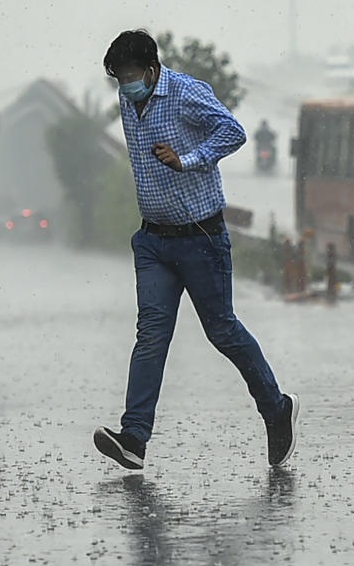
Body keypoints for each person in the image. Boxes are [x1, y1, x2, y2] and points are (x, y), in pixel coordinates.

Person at [93, 29, 298, 471]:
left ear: (151, 70)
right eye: (118, 79)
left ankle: (276, 409)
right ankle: (135, 438)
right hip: (152, 242)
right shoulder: (128, 101)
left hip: (201, 239)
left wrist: (188, 158)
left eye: (130, 76)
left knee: (222, 331)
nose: (125, 86)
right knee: (150, 336)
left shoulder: (186, 94)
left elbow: (234, 132)